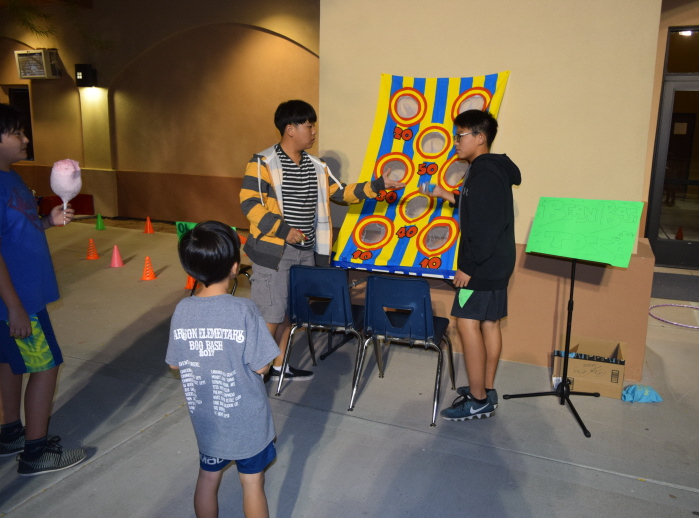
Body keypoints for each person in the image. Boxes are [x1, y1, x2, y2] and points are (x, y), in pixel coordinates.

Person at [240, 100, 404, 381]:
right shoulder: (262, 163)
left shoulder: (317, 166)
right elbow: (250, 204)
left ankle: (279, 367)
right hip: (274, 253)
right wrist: (283, 230)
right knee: (270, 315)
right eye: (309, 126)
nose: (314, 132)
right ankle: (251, 377)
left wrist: (377, 186)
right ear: (290, 129)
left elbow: (341, 193)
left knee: (289, 313)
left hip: (305, 253)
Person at [0, 101, 86, 474]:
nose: (25, 139)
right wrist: (14, 307)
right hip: (18, 299)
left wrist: (47, 221)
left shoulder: (10, 177)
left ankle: (11, 434)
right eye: (16, 133)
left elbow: (17, 230)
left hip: (22, 295)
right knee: (46, 366)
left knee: (9, 361)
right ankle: (36, 452)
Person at [166, 221, 280, 518]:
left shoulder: (182, 309)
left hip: (208, 422)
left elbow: (175, 363)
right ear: (234, 267)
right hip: (247, 423)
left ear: (191, 270)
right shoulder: (244, 310)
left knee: (207, 478)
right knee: (252, 483)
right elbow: (262, 366)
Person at [421, 109, 521, 421]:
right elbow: (477, 206)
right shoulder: (488, 169)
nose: (455, 142)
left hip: (482, 265)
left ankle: (477, 399)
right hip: (496, 263)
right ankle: (485, 389)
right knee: (489, 323)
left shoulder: (485, 172)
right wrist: (445, 194)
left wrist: (468, 265)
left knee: (466, 323)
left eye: (460, 135)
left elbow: (487, 226)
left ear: (480, 137)